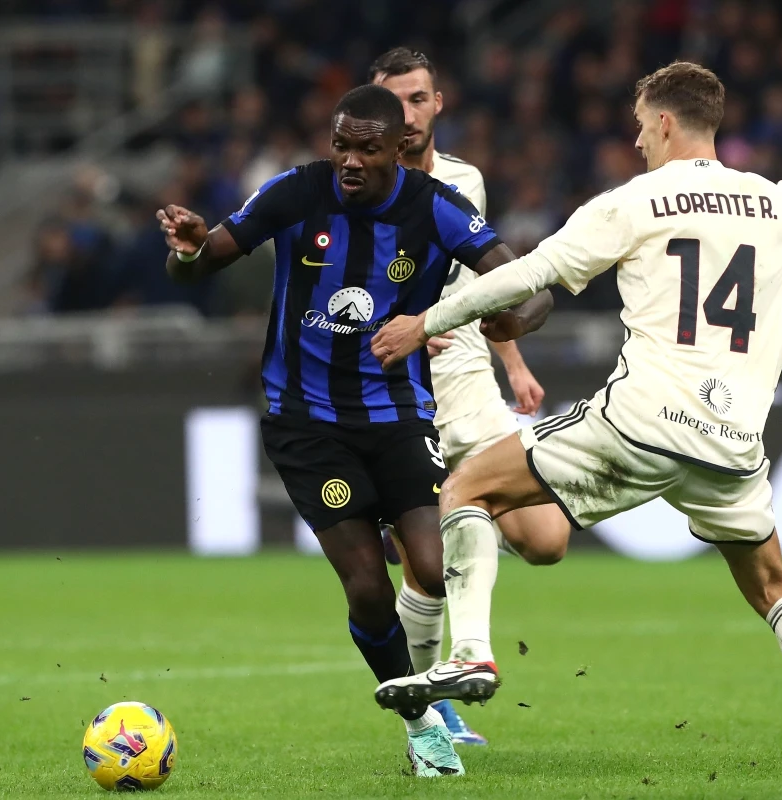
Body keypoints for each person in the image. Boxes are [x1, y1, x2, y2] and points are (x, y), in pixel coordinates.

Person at [369, 61, 782, 779]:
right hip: (731, 445)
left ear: (663, 122)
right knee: (774, 585)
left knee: (467, 487)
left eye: (639, 127)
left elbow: (525, 274)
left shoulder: (636, 202)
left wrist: (425, 321)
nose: (636, 143)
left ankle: (472, 652)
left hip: (640, 424)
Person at [156, 83, 551, 778]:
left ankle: (437, 677)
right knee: (368, 586)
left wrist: (512, 318)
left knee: (433, 566)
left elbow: (533, 285)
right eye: (341, 145)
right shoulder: (297, 191)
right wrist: (189, 252)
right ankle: (422, 724)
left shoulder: (437, 208)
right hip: (306, 424)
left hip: (398, 414)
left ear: (401, 148)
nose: (349, 160)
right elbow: (204, 258)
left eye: (367, 149)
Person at [368, 47, 573, 747]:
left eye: (417, 99)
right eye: (393, 102)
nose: (407, 114)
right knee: (429, 570)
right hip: (395, 389)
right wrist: (392, 331)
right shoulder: (354, 190)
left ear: (438, 103)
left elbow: (485, 284)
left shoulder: (465, 181)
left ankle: (457, 523)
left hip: (468, 378)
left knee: (547, 540)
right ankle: (430, 715)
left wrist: (512, 359)